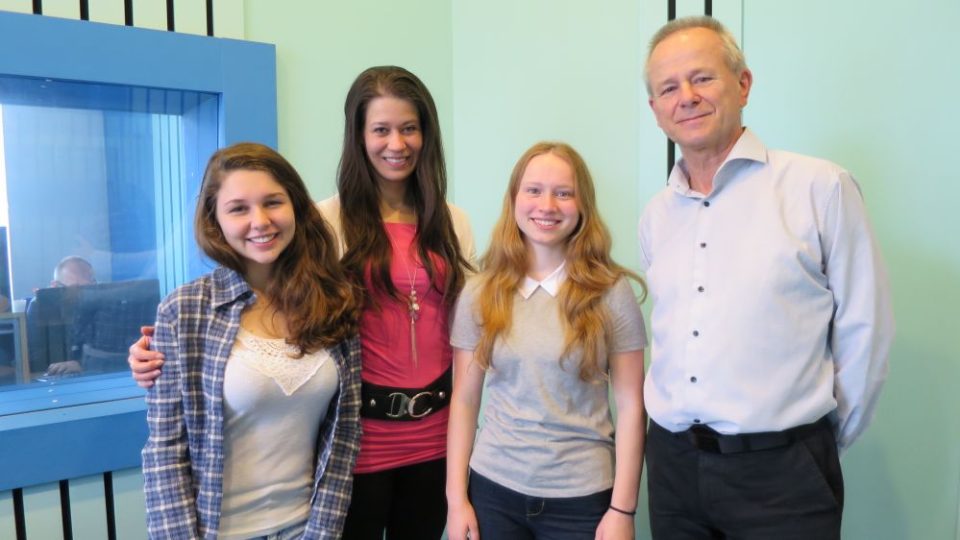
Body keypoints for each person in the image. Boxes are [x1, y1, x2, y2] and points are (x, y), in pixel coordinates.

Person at [131, 66, 475, 540]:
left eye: (409, 128)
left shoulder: (454, 223)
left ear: (427, 134)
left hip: (436, 433)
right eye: (380, 129)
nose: (396, 143)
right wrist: (156, 353)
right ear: (358, 136)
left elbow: (466, 327)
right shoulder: (325, 221)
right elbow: (252, 294)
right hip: (357, 438)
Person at [639, 16, 895, 539]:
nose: (687, 97)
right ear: (656, 110)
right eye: (669, 88)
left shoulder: (820, 188)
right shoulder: (656, 216)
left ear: (743, 84)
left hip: (783, 475)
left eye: (702, 78)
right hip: (672, 470)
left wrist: (810, 444)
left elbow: (866, 331)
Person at [141, 143, 362, 539]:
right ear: (215, 221)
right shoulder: (185, 311)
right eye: (238, 208)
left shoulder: (333, 300)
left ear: (296, 207)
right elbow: (165, 452)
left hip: (308, 528)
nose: (260, 221)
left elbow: (345, 434)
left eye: (272, 202)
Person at [446, 142, 647, 540]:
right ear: (514, 199)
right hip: (493, 492)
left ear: (582, 204)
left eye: (564, 193)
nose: (547, 205)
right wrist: (456, 500)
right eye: (534, 190)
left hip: (582, 498)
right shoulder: (480, 291)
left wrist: (623, 509)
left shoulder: (611, 292)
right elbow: (464, 401)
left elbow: (631, 407)